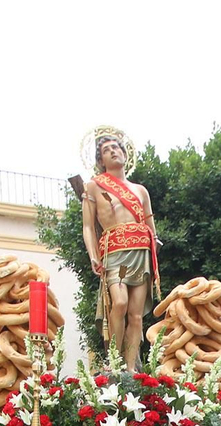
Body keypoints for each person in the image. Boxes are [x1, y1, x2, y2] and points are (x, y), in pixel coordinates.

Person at [80, 128, 160, 369]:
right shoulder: (93, 186)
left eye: (116, 147)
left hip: (140, 251)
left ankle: (130, 368)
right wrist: (93, 256)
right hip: (114, 252)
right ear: (100, 160)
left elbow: (151, 229)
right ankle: (114, 360)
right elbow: (87, 226)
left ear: (125, 154)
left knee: (136, 315)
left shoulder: (141, 191)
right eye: (106, 150)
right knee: (120, 303)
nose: (113, 151)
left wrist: (154, 247)